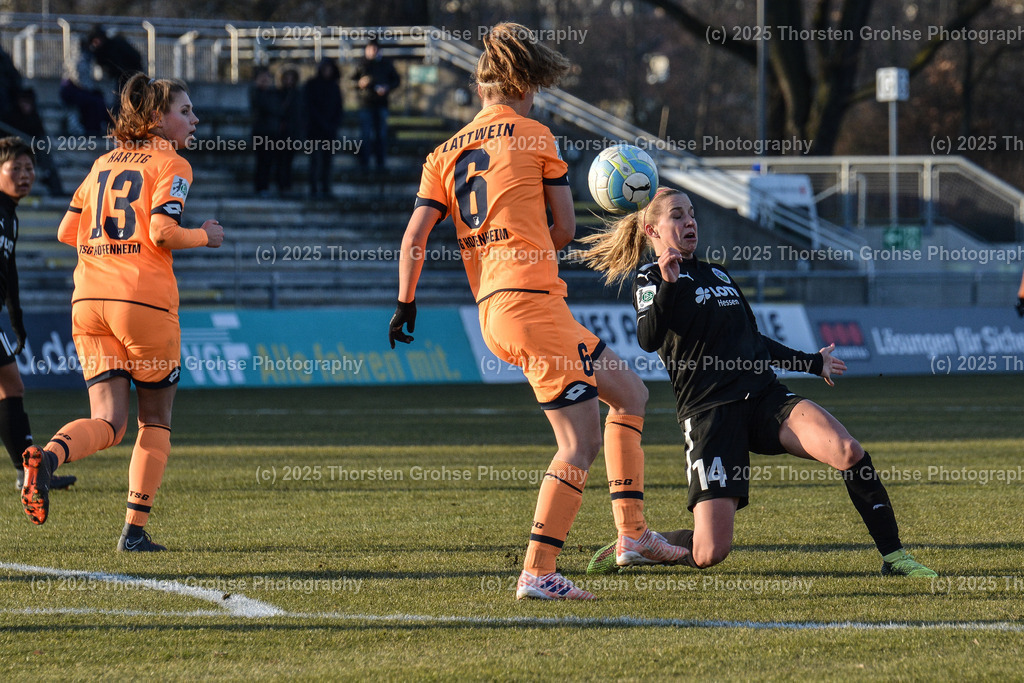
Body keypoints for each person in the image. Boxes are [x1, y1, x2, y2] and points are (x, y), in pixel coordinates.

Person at [388, 23, 686, 601]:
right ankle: (538, 571)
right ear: (524, 85)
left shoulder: (442, 155)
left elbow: (414, 237)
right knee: (577, 444)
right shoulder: (534, 136)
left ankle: (632, 536)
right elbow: (568, 229)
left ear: (482, 88)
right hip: (531, 303)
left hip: (498, 309)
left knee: (629, 394)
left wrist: (405, 302)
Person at [579, 187, 937, 578]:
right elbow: (648, 340)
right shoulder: (650, 278)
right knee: (710, 550)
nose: (690, 222)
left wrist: (812, 363)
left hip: (765, 398)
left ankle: (894, 557)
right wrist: (668, 283)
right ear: (652, 230)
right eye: (678, 215)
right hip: (710, 413)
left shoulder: (718, 273)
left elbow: (754, 341)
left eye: (692, 213)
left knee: (848, 450)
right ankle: (642, 544)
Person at [18, 74, 225, 552]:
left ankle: (47, 460)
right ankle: (133, 532)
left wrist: (108, 246)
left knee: (109, 422)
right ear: (157, 118)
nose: (194, 119)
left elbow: (67, 232)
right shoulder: (173, 163)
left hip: (88, 302)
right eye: (186, 111)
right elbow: (162, 232)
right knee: (154, 422)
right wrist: (204, 236)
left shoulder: (101, 163)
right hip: (143, 302)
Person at [0, 137, 77, 492]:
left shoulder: (10, 217)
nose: (24, 175)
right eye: (15, 168)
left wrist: (16, 319)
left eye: (29, 168)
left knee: (12, 386)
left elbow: (9, 271)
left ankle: (27, 471)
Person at [352, 38, 400, 171]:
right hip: (365, 104)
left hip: (381, 104)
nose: (373, 51)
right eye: (370, 48)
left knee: (381, 135)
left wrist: (387, 87)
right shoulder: (361, 64)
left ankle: (380, 164)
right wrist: (360, 83)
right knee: (365, 135)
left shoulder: (386, 64)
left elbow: (396, 80)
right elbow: (351, 82)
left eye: (375, 49)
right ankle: (364, 164)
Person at [303, 59, 343, 198]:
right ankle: (314, 188)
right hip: (315, 130)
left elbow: (339, 109)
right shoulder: (311, 85)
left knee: (327, 161)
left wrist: (332, 125)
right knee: (315, 161)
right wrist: (322, 123)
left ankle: (326, 188)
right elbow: (309, 107)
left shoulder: (334, 87)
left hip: (330, 131)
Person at [83, 25, 144, 112]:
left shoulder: (112, 47)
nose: (96, 43)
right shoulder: (107, 47)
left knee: (123, 103)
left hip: (128, 75)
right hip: (124, 76)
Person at [249, 67, 283, 196]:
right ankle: (261, 187)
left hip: (272, 132)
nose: (265, 81)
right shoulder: (256, 93)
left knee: (269, 162)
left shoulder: (274, 94)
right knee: (261, 162)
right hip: (261, 133)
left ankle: (266, 186)